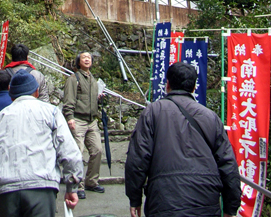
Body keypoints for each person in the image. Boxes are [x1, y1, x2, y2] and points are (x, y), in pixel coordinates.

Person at [125, 61, 241, 217]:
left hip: (164, 200)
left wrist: (135, 198)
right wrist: (230, 207)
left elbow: (137, 158)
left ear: (167, 84)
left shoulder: (152, 112)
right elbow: (228, 164)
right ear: (194, 87)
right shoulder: (211, 117)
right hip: (205, 200)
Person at [0, 69, 83, 217]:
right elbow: (69, 151)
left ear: (10, 92)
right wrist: (71, 186)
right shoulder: (51, 112)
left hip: (4, 191)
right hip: (41, 186)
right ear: (36, 91)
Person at [62, 51, 105, 199]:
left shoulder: (93, 80)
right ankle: (77, 185)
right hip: (78, 119)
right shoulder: (74, 79)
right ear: (78, 62)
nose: (87, 59)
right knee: (78, 153)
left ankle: (92, 181)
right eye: (84, 57)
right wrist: (69, 117)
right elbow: (69, 99)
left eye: (89, 58)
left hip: (92, 120)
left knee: (97, 150)